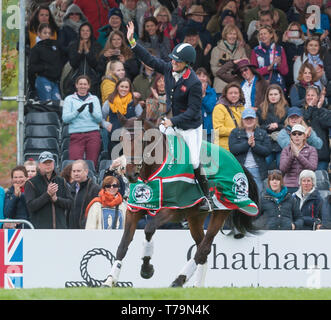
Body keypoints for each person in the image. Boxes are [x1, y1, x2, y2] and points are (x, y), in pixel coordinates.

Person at [127, 20, 213, 211]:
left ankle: (207, 198)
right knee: (152, 147)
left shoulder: (194, 83)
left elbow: (192, 111)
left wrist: (172, 121)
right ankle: (146, 186)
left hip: (190, 126)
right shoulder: (168, 68)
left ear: (186, 63)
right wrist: (133, 42)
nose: (172, 62)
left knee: (194, 161)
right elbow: (150, 60)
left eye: (177, 60)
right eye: (173, 59)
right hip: (171, 121)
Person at [62, 75, 103, 168]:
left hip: (92, 133)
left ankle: (90, 181)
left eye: (85, 84)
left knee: (91, 162)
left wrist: (92, 112)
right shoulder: (69, 99)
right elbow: (65, 118)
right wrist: (77, 111)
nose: (82, 86)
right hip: (76, 134)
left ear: (88, 86)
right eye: (80, 84)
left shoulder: (94, 99)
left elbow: (99, 119)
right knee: (75, 162)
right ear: (76, 85)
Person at [25, 151, 72, 229]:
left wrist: (57, 200)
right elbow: (31, 206)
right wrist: (47, 195)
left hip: (60, 228)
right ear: (39, 165)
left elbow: (70, 204)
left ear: (54, 164)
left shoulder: (61, 181)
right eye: (45, 162)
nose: (48, 165)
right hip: (40, 230)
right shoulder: (31, 183)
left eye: (50, 162)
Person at [229, 107, 271, 193]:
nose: (249, 121)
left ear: (255, 120)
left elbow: (267, 151)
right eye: (246, 119)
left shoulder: (262, 133)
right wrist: (247, 144)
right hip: (241, 169)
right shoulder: (235, 132)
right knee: (241, 194)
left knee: (257, 194)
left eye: (251, 118)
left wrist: (255, 146)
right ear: (242, 120)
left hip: (257, 170)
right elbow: (233, 149)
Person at [102, 77, 143, 158]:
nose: (124, 89)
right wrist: (106, 125)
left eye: (126, 87)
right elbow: (101, 118)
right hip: (115, 139)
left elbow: (141, 119)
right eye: (122, 86)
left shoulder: (134, 102)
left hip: (132, 141)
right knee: (115, 165)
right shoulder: (109, 102)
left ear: (129, 89)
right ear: (117, 87)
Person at [65, 22, 102, 97]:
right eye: (83, 30)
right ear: (79, 32)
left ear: (91, 32)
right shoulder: (73, 44)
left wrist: (87, 51)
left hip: (92, 80)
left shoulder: (96, 45)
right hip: (76, 79)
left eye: (87, 31)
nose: (85, 32)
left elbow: (95, 64)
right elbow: (73, 64)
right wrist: (79, 51)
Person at [28, 23, 63, 101]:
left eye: (49, 33)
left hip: (55, 81)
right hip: (43, 80)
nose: (47, 35)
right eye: (45, 33)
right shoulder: (36, 48)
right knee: (47, 104)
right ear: (39, 34)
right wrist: (44, 67)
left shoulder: (55, 46)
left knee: (57, 104)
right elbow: (31, 68)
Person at [279, 124, 318, 193]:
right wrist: (292, 155)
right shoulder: (286, 150)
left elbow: (312, 168)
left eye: (300, 134)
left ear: (304, 136)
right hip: (289, 186)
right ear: (291, 136)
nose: (297, 136)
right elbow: (282, 169)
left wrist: (298, 155)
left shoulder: (312, 149)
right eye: (294, 134)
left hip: (305, 186)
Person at [257, 84, 289, 168]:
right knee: (265, 164)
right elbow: (257, 126)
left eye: (275, 94)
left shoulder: (286, 108)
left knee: (281, 164)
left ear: (280, 95)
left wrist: (278, 126)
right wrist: (268, 127)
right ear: (267, 96)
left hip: (281, 143)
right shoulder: (261, 108)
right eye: (270, 94)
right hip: (266, 142)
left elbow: (289, 126)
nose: (273, 97)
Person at [210, 24, 248, 95]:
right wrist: (230, 74)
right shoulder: (216, 50)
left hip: (237, 87)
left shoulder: (241, 50)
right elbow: (214, 71)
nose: (232, 36)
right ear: (225, 35)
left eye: (234, 34)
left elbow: (245, 67)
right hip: (220, 88)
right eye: (230, 34)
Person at [250, 25, 289, 91]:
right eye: (260, 34)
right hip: (261, 85)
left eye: (265, 33)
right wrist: (268, 68)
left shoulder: (280, 49)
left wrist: (279, 64)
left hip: (277, 84)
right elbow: (253, 71)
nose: (262, 36)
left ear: (271, 35)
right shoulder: (255, 50)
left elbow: (285, 72)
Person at [302, 85, 331, 170]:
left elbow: (326, 123)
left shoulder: (324, 111)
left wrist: (318, 108)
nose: (310, 97)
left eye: (313, 95)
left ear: (318, 97)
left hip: (321, 153)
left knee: (320, 181)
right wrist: (310, 107)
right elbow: (305, 119)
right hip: (305, 155)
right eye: (308, 95)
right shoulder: (300, 111)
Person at [212, 82, 245, 151]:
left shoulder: (242, 108)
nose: (233, 95)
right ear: (226, 94)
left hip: (240, 146)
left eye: (236, 93)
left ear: (240, 94)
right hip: (224, 147)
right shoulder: (219, 107)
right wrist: (236, 131)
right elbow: (218, 130)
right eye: (230, 93)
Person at [68, 160, 100, 229]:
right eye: (74, 171)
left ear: (86, 171)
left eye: (78, 171)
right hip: (71, 231)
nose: (76, 174)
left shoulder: (95, 189)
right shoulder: (70, 188)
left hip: (87, 231)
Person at [282, 22, 305, 88]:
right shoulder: (285, 44)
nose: (294, 32)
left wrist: (301, 58)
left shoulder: (306, 44)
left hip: (302, 76)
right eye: (291, 31)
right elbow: (280, 57)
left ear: (300, 32)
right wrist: (284, 42)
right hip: (288, 77)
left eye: (296, 31)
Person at [196, 67, 217, 143]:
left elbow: (210, 108)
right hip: (196, 128)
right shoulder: (191, 91)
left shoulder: (212, 92)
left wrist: (203, 95)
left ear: (207, 78)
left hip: (209, 128)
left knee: (211, 153)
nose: (201, 78)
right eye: (199, 75)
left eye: (204, 76)